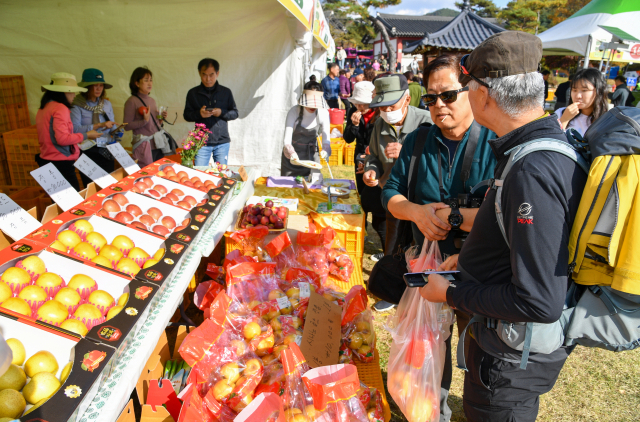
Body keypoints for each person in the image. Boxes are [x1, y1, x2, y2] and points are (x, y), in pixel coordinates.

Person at [420, 31, 588, 422]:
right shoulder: (537, 150)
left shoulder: (532, 169)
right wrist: (470, 261)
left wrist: (451, 294)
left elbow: (539, 302)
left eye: (464, 87)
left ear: (484, 95)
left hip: (511, 358)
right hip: (508, 347)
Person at [383, 53, 497, 422]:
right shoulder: (418, 142)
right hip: (426, 266)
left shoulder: (495, 143)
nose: (438, 106)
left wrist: (455, 217)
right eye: (430, 99)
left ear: (472, 93)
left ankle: (481, 407)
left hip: (479, 271)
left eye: (447, 95)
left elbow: (509, 212)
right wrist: (415, 211)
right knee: (430, 343)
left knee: (480, 348)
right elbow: (392, 194)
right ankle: (433, 407)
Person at [363, 73, 433, 310]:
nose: (387, 111)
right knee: (393, 247)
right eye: (382, 107)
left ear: (406, 99)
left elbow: (441, 159)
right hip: (394, 198)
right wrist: (371, 170)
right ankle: (391, 291)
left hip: (423, 200)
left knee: (420, 248)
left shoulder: (427, 121)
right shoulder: (379, 125)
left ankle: (422, 293)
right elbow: (372, 155)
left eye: (392, 106)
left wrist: (407, 150)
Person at [35, 73, 100, 190]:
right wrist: (86, 135)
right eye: (71, 91)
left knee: (59, 202)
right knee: (72, 204)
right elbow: (62, 139)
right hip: (61, 162)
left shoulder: (44, 107)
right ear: (62, 92)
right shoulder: (60, 108)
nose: (74, 95)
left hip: (46, 160)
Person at [344, 81, 386, 256]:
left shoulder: (381, 114)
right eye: (357, 103)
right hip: (360, 161)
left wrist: (371, 158)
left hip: (376, 162)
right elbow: (347, 139)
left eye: (363, 103)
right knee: (361, 198)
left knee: (377, 203)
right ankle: (363, 231)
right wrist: (353, 125)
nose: (360, 107)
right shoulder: (353, 112)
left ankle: (384, 244)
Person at [183, 58, 239, 166]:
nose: (208, 79)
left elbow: (235, 113)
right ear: (199, 73)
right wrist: (199, 114)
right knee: (199, 174)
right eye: (204, 74)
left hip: (222, 141)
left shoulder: (226, 92)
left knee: (222, 174)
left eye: (211, 75)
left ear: (217, 73)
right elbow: (186, 115)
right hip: (201, 142)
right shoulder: (193, 93)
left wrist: (221, 112)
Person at [70, 68, 119, 187]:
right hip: (87, 151)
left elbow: (112, 128)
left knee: (108, 186)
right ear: (86, 87)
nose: (98, 89)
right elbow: (75, 130)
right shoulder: (76, 105)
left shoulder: (106, 104)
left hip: (106, 150)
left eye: (101, 85)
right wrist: (97, 126)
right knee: (91, 186)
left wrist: (118, 130)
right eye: (95, 85)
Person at [281, 81, 331, 176]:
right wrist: (291, 152)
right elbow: (287, 140)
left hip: (311, 157)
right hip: (292, 159)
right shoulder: (294, 112)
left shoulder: (323, 113)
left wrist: (326, 149)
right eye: (310, 103)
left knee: (313, 186)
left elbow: (326, 137)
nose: (313, 107)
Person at [124, 67, 170, 167]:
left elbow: (154, 124)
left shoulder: (152, 100)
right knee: (146, 176)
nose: (149, 83)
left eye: (151, 80)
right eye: (146, 80)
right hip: (144, 147)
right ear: (137, 83)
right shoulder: (131, 101)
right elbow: (126, 126)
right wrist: (144, 121)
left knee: (159, 174)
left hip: (158, 144)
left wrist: (161, 119)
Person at [555, 68, 608, 136]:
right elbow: (551, 141)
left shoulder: (607, 120)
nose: (578, 96)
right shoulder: (560, 113)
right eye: (574, 90)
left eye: (584, 90)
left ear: (599, 91)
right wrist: (564, 120)